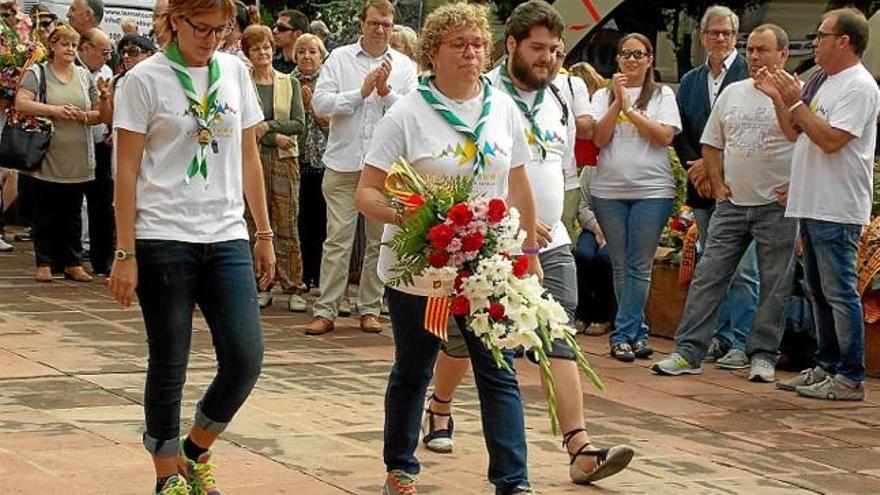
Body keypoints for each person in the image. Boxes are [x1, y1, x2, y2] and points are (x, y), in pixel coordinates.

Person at [418, 0, 633, 486]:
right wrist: (512, 220)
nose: (549, 58)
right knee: (469, 341)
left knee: (557, 334)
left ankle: (580, 448)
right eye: (537, 48)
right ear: (511, 44)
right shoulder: (482, 91)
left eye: (555, 50)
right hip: (489, 241)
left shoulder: (562, 93)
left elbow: (557, 166)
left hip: (550, 243)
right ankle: (439, 406)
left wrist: (551, 217)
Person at [355, 4, 539, 493]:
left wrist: (530, 255)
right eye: (458, 43)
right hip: (422, 267)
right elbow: (366, 193)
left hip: (486, 265)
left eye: (478, 42)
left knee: (497, 369)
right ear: (431, 53)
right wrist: (414, 219)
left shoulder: (502, 107)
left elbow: (518, 184)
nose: (471, 52)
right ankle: (400, 465)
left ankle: (513, 480)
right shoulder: (406, 113)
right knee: (414, 367)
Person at [109, 1, 275, 493]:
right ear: (174, 21)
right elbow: (127, 171)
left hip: (225, 234)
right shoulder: (143, 81)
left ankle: (194, 449)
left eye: (220, 29)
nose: (210, 39)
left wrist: (262, 232)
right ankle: (166, 476)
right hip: (163, 235)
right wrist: (124, 252)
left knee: (246, 356)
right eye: (199, 28)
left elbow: (247, 153)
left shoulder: (235, 71)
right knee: (170, 357)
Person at [652, 24, 799, 383]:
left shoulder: (797, 93)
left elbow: (798, 137)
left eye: (763, 50)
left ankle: (762, 355)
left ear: (783, 54)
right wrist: (718, 185)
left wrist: (778, 97)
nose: (754, 57)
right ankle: (689, 351)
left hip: (775, 207)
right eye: (750, 50)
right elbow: (712, 144)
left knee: (774, 284)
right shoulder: (732, 93)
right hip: (733, 204)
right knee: (708, 276)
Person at [771, 8, 879, 401]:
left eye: (821, 35)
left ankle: (850, 377)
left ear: (844, 41)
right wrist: (780, 101)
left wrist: (795, 103)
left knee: (839, 291)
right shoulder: (821, 80)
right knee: (817, 289)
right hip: (812, 201)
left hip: (838, 205)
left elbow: (832, 140)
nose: (814, 42)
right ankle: (827, 364)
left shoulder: (859, 86)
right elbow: (793, 132)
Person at [305, 0, 418, 336]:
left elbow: (414, 113)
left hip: (386, 168)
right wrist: (360, 93)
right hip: (343, 161)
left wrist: (385, 93)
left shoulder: (404, 66)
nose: (380, 29)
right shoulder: (340, 58)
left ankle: (370, 308)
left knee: (379, 241)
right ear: (362, 24)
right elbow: (319, 102)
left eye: (386, 24)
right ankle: (326, 309)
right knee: (337, 239)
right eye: (374, 23)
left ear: (392, 25)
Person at [673, 5, 760, 368]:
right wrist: (699, 169)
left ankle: (741, 341)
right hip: (702, 188)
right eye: (713, 33)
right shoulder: (692, 80)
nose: (720, 39)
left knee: (744, 270)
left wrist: (716, 171)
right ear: (703, 37)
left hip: (740, 189)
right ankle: (717, 338)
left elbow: (753, 132)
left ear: (735, 36)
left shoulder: (749, 74)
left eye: (726, 33)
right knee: (712, 267)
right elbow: (680, 132)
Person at [590, 33, 682, 362]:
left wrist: (634, 110)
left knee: (639, 266)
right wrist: (617, 102)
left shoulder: (662, 94)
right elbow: (599, 138)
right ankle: (637, 333)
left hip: (651, 190)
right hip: (609, 191)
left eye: (638, 54)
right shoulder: (602, 95)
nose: (631, 60)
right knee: (620, 265)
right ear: (617, 60)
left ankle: (623, 334)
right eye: (625, 54)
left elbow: (663, 137)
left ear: (649, 59)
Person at [15, 25, 99, 284]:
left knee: (72, 211)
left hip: (77, 153)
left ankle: (73, 262)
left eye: (74, 46)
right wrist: (54, 110)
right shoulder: (38, 72)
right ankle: (45, 262)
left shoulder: (85, 76)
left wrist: (84, 116)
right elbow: (21, 102)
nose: (70, 50)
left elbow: (100, 113)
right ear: (53, 46)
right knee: (46, 210)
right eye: (65, 45)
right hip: (47, 151)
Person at [241, 24, 308, 312]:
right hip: (252, 159)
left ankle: (293, 285)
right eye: (256, 48)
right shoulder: (243, 82)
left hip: (285, 161)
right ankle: (261, 284)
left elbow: (298, 124)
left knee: (287, 221)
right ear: (248, 53)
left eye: (267, 46)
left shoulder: (288, 82)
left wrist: (268, 127)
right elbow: (244, 126)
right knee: (254, 221)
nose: (263, 52)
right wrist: (269, 135)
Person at [292, 33, 330, 292]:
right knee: (299, 221)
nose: (307, 56)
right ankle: (302, 275)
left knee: (322, 222)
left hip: (324, 161)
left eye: (312, 52)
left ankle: (319, 276)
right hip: (296, 161)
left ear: (321, 55)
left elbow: (334, 127)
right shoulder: (288, 83)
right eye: (302, 51)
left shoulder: (328, 83)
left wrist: (314, 111)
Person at [78, 28, 115, 277]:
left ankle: (102, 260)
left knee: (101, 203)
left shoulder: (108, 72)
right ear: (86, 48)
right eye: (103, 52)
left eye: (109, 53)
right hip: (73, 144)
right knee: (68, 202)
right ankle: (67, 259)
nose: (106, 57)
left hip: (100, 143)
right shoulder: (72, 70)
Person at [272, 9, 309, 74]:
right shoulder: (272, 63)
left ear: (298, 34)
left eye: (281, 28)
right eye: (275, 26)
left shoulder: (309, 65)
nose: (275, 31)